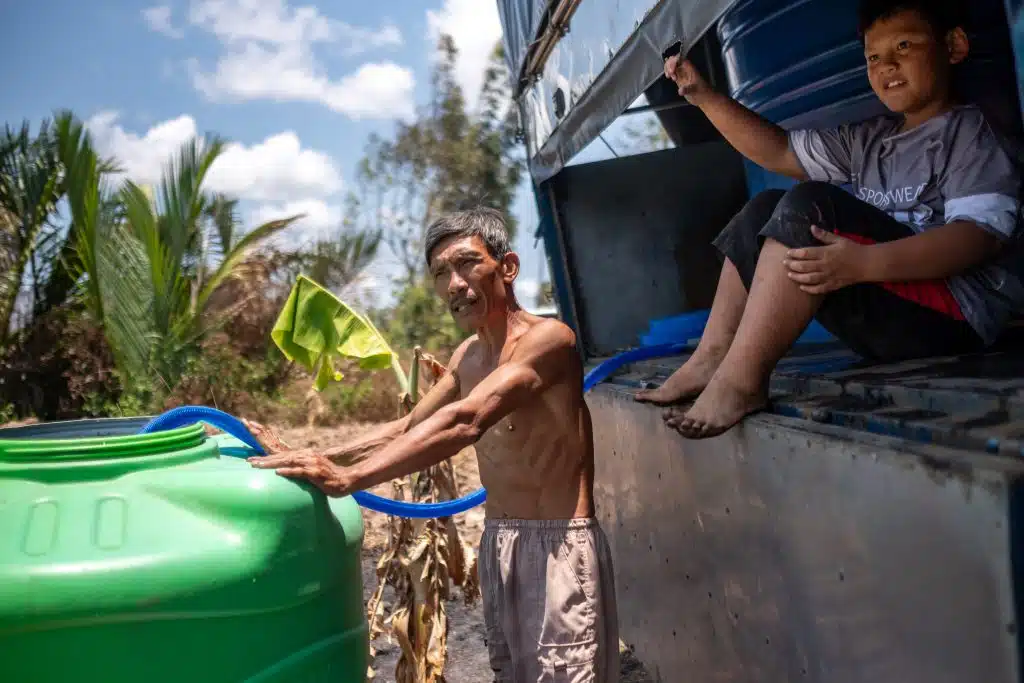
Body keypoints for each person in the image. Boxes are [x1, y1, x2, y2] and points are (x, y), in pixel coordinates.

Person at [247, 207, 619, 683]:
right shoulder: (468, 355)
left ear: (507, 267)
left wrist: (351, 480)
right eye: (441, 273)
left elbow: (467, 421)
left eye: (466, 264)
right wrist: (315, 456)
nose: (454, 284)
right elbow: (407, 427)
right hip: (500, 543)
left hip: (558, 546)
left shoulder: (549, 340)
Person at [635, 0, 1023, 439]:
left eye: (904, 45)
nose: (887, 65)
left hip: (955, 318)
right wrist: (705, 98)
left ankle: (741, 381)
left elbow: (978, 239)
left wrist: (862, 265)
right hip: (891, 312)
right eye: (874, 57)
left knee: (810, 206)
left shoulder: (972, 133)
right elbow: (779, 152)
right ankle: (711, 357)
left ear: (952, 46)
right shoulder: (872, 140)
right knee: (761, 211)